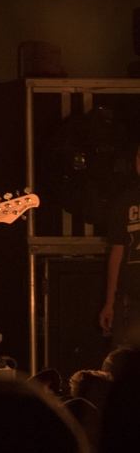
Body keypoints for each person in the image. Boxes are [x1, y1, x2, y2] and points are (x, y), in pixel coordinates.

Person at [99, 142, 140, 346]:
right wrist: (110, 303)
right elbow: (117, 253)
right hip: (131, 300)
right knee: (128, 359)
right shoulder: (125, 201)